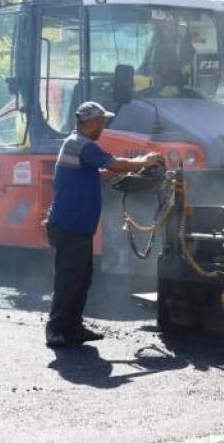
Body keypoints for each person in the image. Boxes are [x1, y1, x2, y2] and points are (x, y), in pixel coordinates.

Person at [44, 101, 164, 348]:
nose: (104, 126)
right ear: (91, 122)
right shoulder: (81, 145)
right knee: (68, 279)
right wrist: (144, 161)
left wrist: (128, 175)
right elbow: (114, 164)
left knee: (82, 277)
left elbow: (99, 174)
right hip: (69, 226)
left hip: (77, 226)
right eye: (102, 122)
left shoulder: (79, 146)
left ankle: (73, 327)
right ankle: (56, 329)